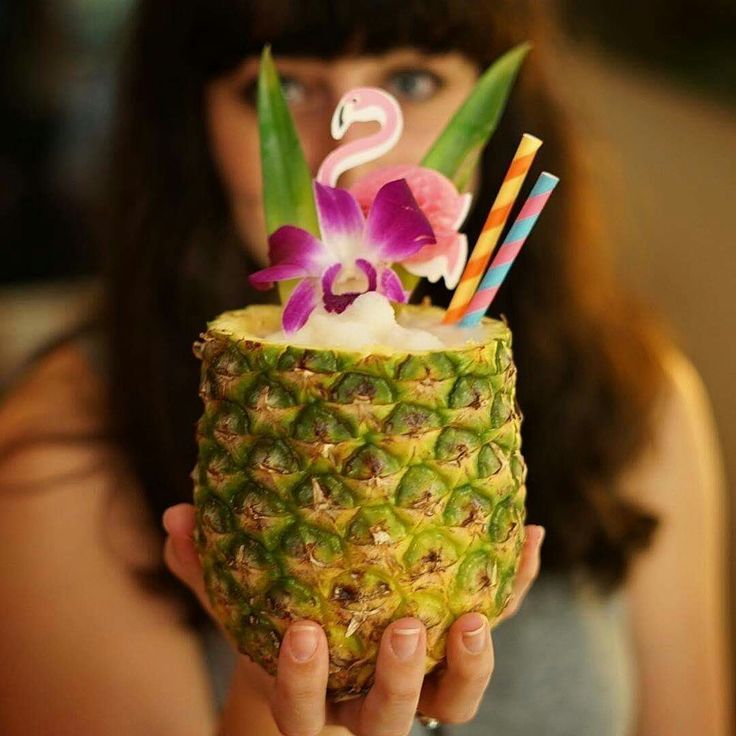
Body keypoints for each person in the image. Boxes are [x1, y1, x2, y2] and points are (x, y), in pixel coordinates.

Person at [0, 1, 731, 735]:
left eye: (412, 81)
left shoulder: (643, 402)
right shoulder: (54, 455)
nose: (342, 164)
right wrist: (268, 705)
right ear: (191, 122)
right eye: (284, 90)